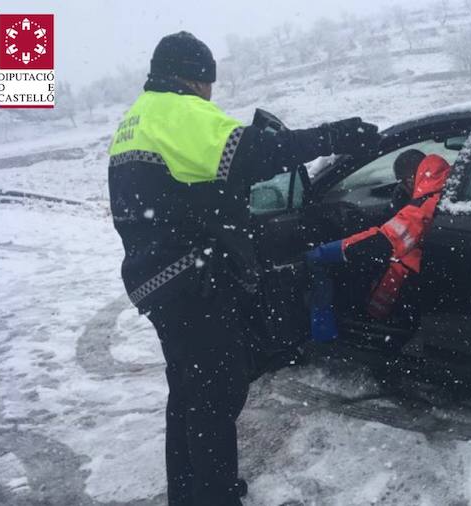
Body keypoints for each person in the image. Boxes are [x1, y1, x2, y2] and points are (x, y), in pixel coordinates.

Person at [107, 31, 379, 506]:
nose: (211, 94)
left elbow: (189, 190)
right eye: (209, 82)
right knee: (215, 396)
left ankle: (190, 492)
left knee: (189, 394)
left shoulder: (137, 119)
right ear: (195, 78)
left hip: (157, 280)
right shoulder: (178, 112)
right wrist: (332, 137)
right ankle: (214, 496)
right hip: (191, 279)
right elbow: (253, 153)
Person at [305, 151, 452, 341]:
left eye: (404, 181)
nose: (403, 188)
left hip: (428, 273)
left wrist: (330, 251)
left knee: (391, 269)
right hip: (439, 262)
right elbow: (394, 221)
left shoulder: (426, 203)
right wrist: (362, 221)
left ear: (412, 178)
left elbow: (387, 240)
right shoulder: (439, 185)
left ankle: (376, 333)